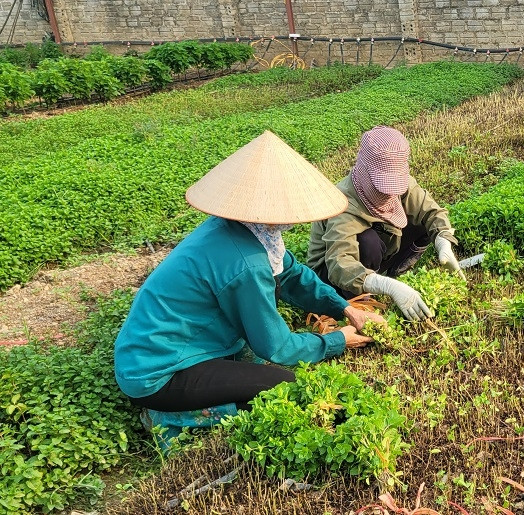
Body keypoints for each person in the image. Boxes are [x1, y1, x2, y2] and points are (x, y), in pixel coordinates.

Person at [113, 130, 384, 420]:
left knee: (255, 365)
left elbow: (292, 275)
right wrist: (337, 341)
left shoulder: (247, 229)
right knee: (283, 386)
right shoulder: (247, 264)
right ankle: (169, 417)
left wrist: (345, 308)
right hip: (159, 372)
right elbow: (276, 347)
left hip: (169, 345)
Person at [308, 126, 464, 322]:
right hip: (331, 277)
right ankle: (358, 298)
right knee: (368, 241)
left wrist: (443, 240)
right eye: (383, 186)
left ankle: (394, 274)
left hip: (380, 249)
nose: (390, 194)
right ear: (364, 171)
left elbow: (432, 212)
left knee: (422, 224)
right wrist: (387, 288)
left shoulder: (401, 184)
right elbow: (340, 264)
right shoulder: (343, 202)